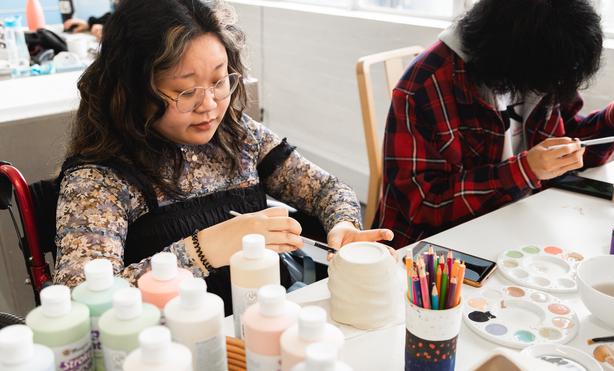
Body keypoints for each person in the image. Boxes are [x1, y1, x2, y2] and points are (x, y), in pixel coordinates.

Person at [54, 0, 392, 314]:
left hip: (273, 318)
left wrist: (343, 226)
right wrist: (205, 248)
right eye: (185, 91)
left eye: (219, 80)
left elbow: (326, 190)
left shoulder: (238, 135)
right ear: (132, 91)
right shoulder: (99, 180)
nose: (210, 105)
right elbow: (80, 302)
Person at [375, 0, 614, 248]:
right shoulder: (426, 85)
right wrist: (524, 170)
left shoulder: (546, 63)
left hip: (518, 225)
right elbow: (422, 204)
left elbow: (567, 142)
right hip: (435, 250)